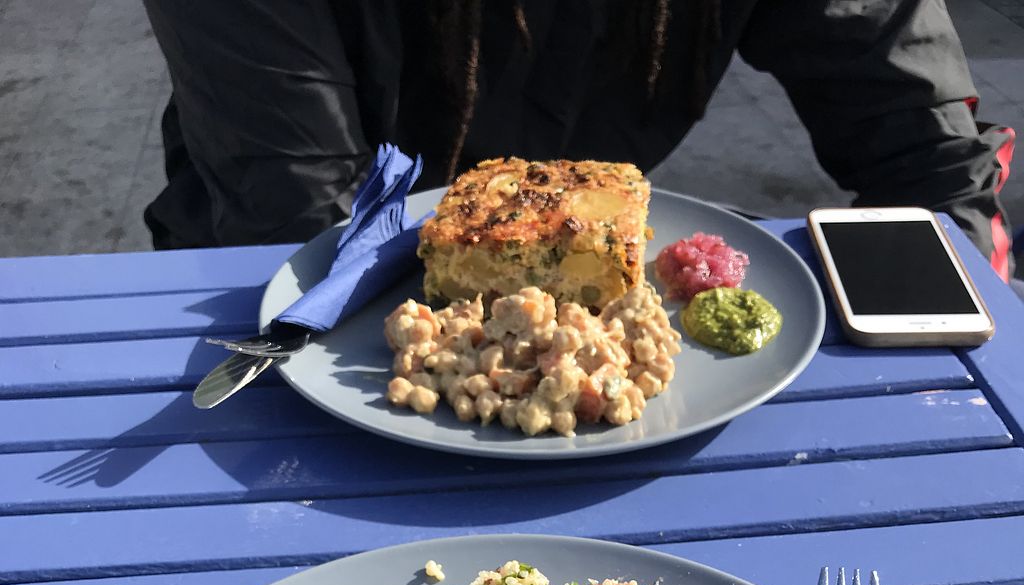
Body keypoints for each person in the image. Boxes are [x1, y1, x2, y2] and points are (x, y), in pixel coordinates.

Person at [141, 0, 1015, 280]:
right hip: (261, 285)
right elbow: (298, 218)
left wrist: (939, 354)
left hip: (581, 292)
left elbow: (930, 154)